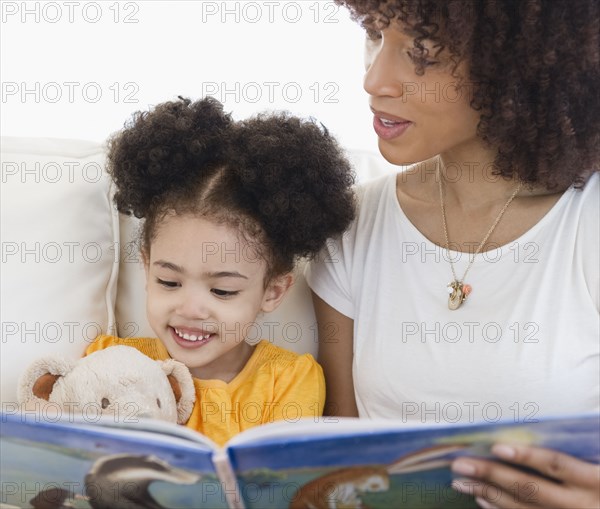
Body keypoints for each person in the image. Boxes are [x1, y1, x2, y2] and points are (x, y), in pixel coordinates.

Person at [305, 0, 599, 507]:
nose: (376, 80)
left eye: (424, 51)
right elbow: (346, 464)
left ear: (514, 64)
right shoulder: (350, 225)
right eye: (375, 35)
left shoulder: (586, 223)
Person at [87, 96, 356, 446]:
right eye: (169, 281)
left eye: (222, 291)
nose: (190, 309)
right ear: (147, 266)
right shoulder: (110, 360)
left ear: (272, 291)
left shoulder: (289, 379)